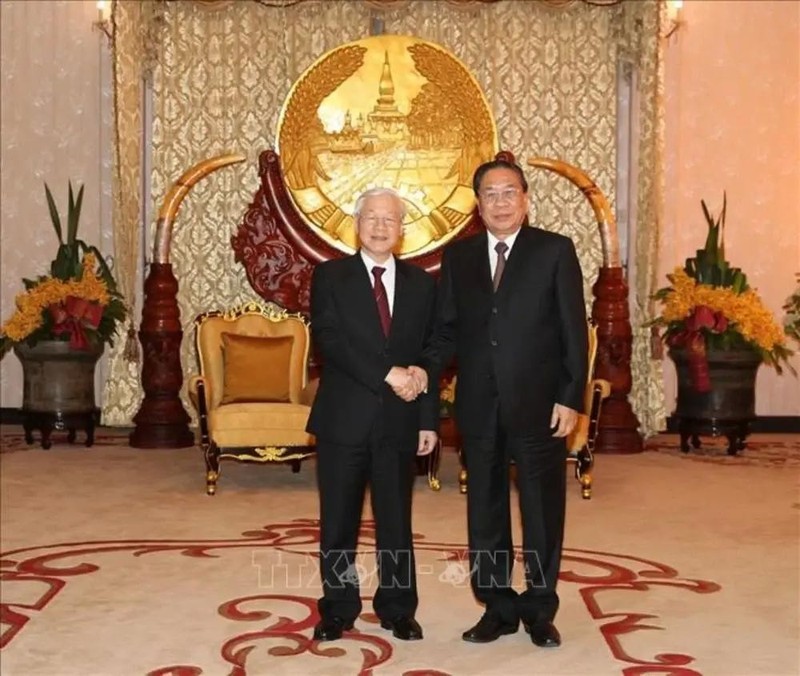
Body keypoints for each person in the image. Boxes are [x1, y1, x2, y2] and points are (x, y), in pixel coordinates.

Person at [433, 159, 588, 648]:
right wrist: (422, 371)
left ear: (524, 198)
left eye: (508, 192)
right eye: (489, 194)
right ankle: (497, 606)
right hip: (479, 405)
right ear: (477, 205)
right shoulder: (459, 258)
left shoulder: (554, 251)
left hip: (541, 404)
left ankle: (540, 608)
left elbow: (573, 331)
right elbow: (446, 330)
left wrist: (571, 397)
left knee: (543, 509)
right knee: (486, 508)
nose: (499, 202)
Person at [307, 187, 439, 643]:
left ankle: (398, 608)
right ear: (356, 224)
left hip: (400, 421)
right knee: (339, 522)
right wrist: (388, 373)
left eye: (390, 220)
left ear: (402, 230)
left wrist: (427, 417)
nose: (381, 227)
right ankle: (338, 608)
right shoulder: (330, 277)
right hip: (343, 419)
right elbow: (330, 341)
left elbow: (431, 351)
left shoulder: (423, 284)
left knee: (396, 522)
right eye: (372, 219)